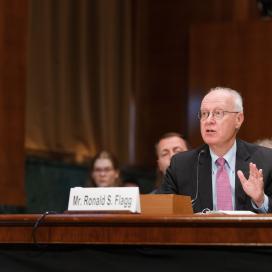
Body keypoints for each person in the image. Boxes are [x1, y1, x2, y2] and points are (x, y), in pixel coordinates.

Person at [157, 87, 272, 213]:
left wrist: (261, 200)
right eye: (204, 114)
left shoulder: (266, 160)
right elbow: (163, 211)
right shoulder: (181, 165)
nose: (208, 121)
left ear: (238, 119)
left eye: (218, 113)